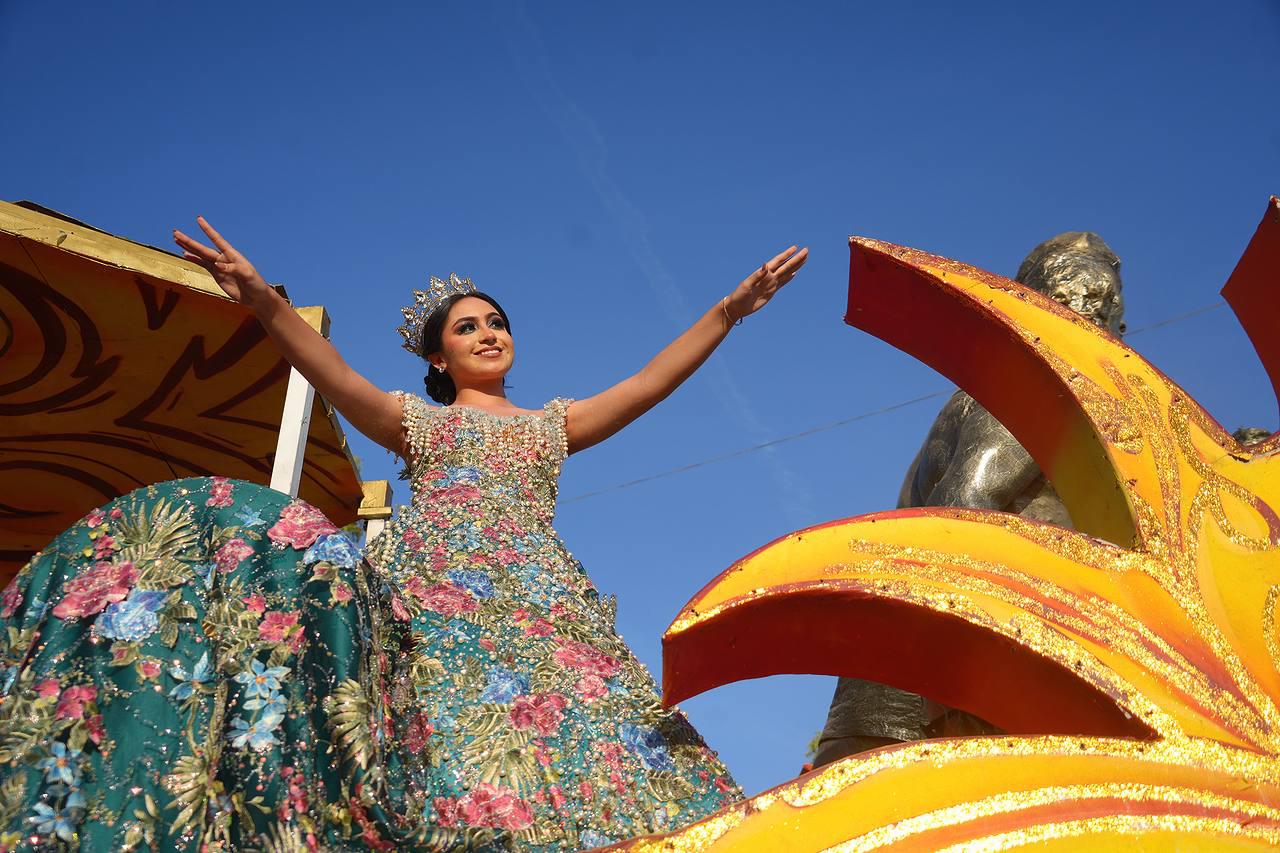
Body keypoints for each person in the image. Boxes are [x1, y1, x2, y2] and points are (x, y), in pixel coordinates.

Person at [170, 217, 805, 848]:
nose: (487, 333)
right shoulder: (415, 421)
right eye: (466, 327)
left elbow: (647, 385)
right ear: (439, 358)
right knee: (445, 745)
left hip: (543, 605)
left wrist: (728, 311)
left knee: (596, 740)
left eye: (496, 322)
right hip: (435, 606)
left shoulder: (551, 426)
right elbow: (330, 370)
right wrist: (261, 301)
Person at [812, 231, 1123, 767]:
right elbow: (965, 513)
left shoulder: (995, 391)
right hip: (938, 705)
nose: (1115, 323)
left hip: (909, 694)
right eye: (1103, 301)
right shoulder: (1037, 387)